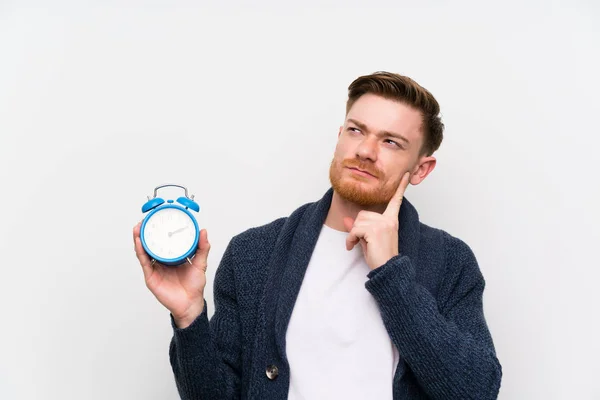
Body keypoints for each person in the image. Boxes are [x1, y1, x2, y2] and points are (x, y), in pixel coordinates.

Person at [133, 71, 502, 399]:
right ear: (340, 136)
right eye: (357, 130)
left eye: (391, 142)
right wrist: (189, 318)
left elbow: (477, 390)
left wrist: (392, 274)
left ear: (421, 169)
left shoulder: (451, 262)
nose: (366, 151)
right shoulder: (254, 252)